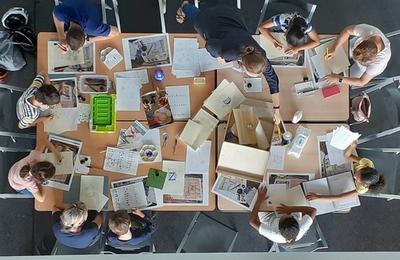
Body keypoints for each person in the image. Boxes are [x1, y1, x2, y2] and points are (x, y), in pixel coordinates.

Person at [176, 1, 282, 123]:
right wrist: (219, 56)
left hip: (232, 15)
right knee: (196, 17)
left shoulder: (260, 55)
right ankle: (184, 6)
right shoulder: (229, 53)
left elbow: (272, 79)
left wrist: (277, 110)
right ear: (243, 65)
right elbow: (210, 45)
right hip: (211, 19)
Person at [306, 141, 385, 202]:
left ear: (363, 183)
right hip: (347, 167)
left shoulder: (362, 188)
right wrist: (352, 146)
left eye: (357, 179)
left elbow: (339, 197)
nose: (354, 176)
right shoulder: (367, 163)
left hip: (343, 180)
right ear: (364, 167)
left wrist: (317, 197)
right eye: (357, 173)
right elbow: (348, 156)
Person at [325, 24, 391, 87]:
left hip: (364, 68)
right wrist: (334, 48)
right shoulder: (370, 31)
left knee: (344, 83)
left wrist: (339, 79)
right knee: (337, 52)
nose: (353, 58)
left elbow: (362, 82)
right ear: (365, 40)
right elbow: (347, 30)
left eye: (358, 59)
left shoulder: (379, 63)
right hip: (356, 45)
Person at [249, 186, 316, 244]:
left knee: (262, 196)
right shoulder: (302, 227)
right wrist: (290, 209)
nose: (283, 214)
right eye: (289, 216)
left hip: (268, 217)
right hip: (290, 210)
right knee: (289, 192)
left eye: (282, 217)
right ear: (297, 222)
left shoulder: (273, 234)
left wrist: (259, 198)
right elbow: (313, 210)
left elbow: (252, 221)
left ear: (278, 225)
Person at [53, 0, 119, 51]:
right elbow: (55, 14)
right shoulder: (61, 13)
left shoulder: (92, 29)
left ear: (85, 35)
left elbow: (116, 32)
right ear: (66, 32)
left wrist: (90, 40)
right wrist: (61, 37)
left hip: (94, 4)